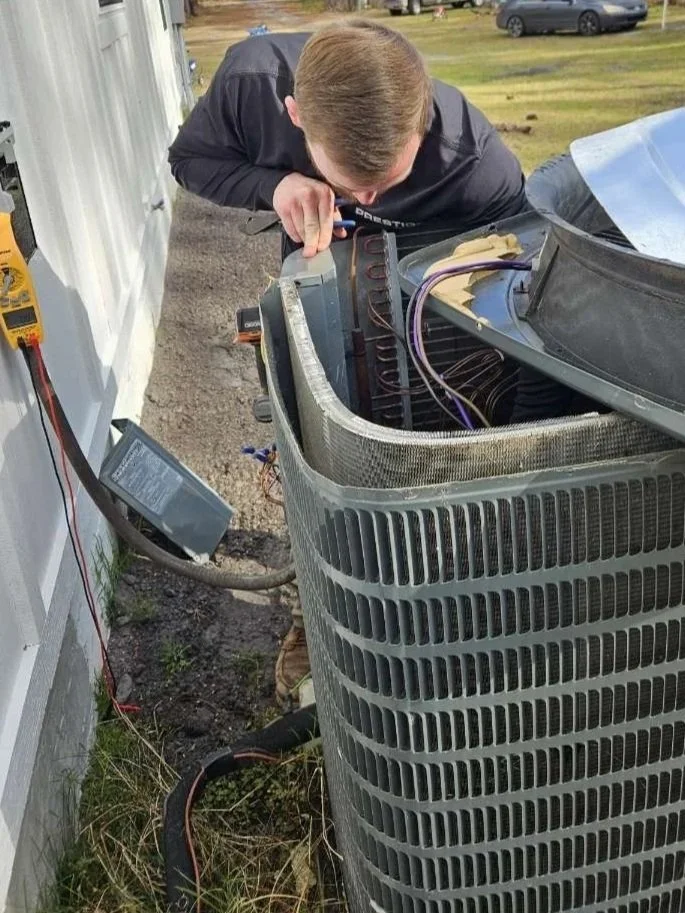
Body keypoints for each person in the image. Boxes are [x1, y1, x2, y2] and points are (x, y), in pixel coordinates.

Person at [167, 19, 548, 705]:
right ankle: (321, 606)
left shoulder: (477, 166)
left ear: (421, 117)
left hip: (426, 343)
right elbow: (188, 160)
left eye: (386, 182)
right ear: (294, 117)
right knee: (319, 463)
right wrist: (274, 184)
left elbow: (517, 305)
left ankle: (432, 602)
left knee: (407, 469)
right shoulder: (252, 81)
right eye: (351, 185)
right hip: (319, 313)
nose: (365, 203)